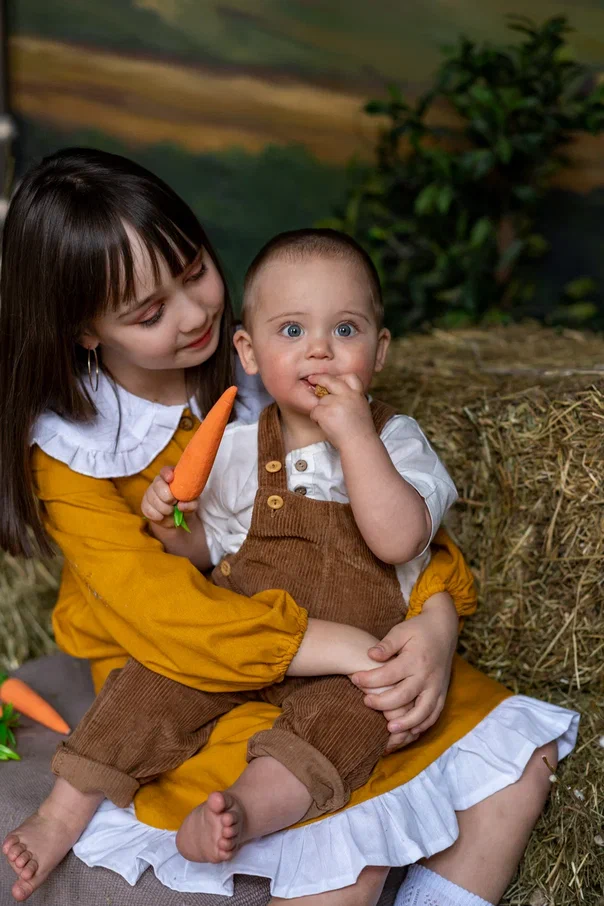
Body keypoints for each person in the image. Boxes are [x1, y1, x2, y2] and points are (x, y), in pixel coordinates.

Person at [0, 150, 577, 906]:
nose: (196, 311)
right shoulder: (70, 457)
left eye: (196, 269)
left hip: (330, 639)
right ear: (83, 331)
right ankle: (70, 813)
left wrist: (434, 626)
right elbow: (178, 609)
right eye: (149, 313)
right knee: (320, 800)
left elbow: (400, 532)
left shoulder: (273, 379)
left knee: (500, 753)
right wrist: (342, 645)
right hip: (194, 654)